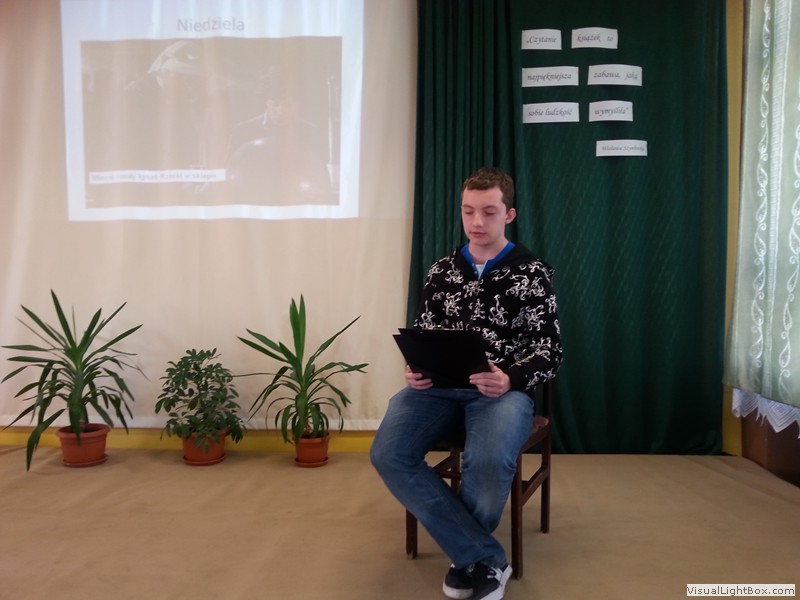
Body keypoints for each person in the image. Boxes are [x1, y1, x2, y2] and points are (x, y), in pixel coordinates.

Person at [371, 167, 562, 600]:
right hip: (436, 389)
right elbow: (425, 332)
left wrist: (510, 378)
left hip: (501, 392)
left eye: (489, 212)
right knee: (388, 454)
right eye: (468, 211)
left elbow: (549, 351)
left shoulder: (532, 272)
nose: (477, 222)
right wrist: (415, 367)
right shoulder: (441, 270)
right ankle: (484, 557)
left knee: (489, 461)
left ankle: (469, 558)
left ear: (509, 214)